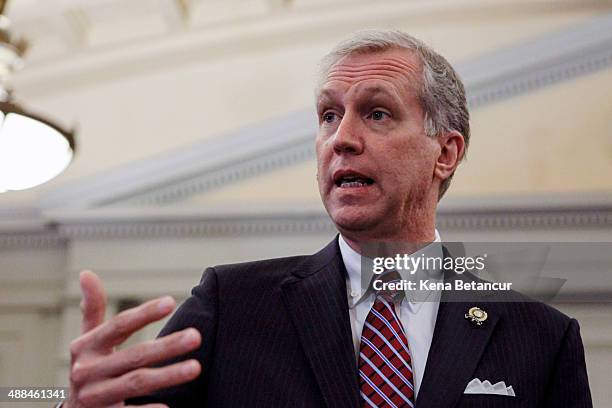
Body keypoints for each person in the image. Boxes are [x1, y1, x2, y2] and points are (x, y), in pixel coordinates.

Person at [61, 30, 592, 407]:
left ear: (445, 153)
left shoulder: (542, 339)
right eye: (329, 116)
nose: (341, 139)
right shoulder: (233, 305)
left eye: (377, 113)